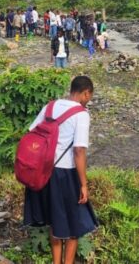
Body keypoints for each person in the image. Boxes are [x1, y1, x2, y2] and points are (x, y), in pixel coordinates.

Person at [23, 76, 97, 264]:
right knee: (74, 224)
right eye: (89, 96)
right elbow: (79, 150)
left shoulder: (50, 106)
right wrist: (83, 184)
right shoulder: (81, 114)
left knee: (54, 221)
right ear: (85, 93)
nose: (88, 100)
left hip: (43, 172)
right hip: (65, 174)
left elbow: (32, 132)